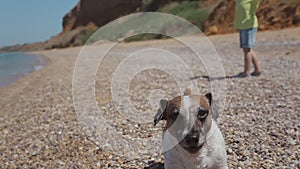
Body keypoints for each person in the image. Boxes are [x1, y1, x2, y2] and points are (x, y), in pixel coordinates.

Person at [234, 0, 262, 77]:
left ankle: (247, 71)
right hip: (242, 26)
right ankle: (257, 70)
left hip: (249, 26)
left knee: (247, 49)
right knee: (247, 48)